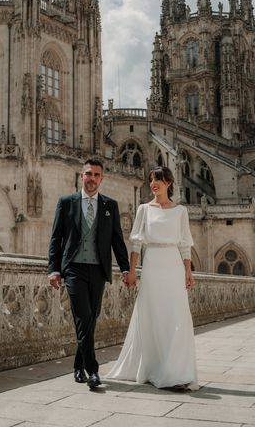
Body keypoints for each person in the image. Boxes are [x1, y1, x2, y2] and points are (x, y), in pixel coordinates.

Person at [106, 166, 198, 390]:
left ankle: (175, 371)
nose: (153, 183)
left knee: (176, 318)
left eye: (158, 179)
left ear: (168, 182)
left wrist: (188, 271)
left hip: (173, 266)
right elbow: (136, 243)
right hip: (152, 265)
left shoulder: (181, 211)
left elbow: (185, 245)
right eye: (151, 180)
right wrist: (132, 272)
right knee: (152, 316)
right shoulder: (144, 209)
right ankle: (154, 368)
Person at [48, 158, 132, 389]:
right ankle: (93, 371)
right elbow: (56, 238)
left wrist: (125, 268)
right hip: (73, 268)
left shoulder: (109, 205)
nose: (92, 178)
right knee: (83, 317)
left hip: (98, 269)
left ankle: (78, 365)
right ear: (81, 176)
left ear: (101, 179)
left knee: (90, 321)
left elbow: (117, 239)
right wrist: (53, 269)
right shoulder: (67, 202)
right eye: (88, 174)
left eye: (96, 175)